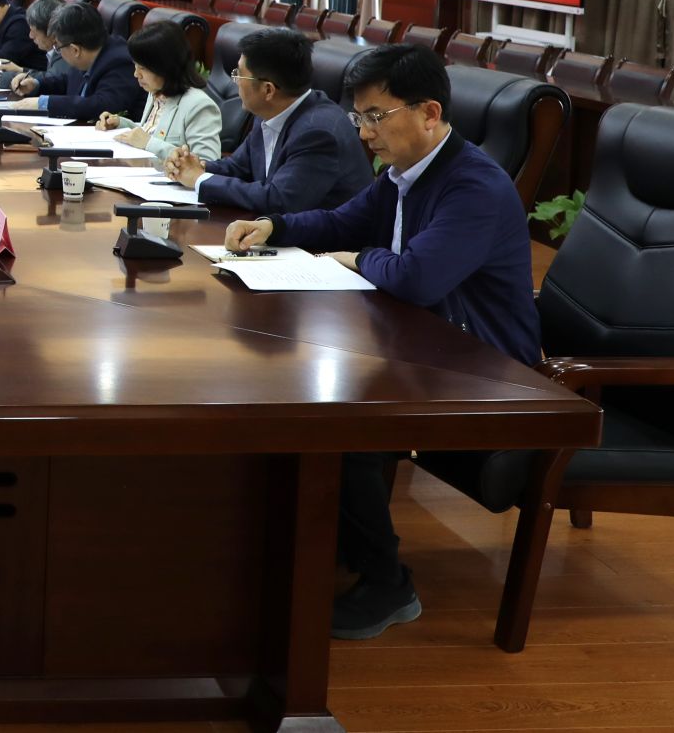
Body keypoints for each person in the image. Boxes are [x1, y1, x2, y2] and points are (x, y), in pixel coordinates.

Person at [223, 44, 538, 641]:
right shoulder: (403, 173)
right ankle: (322, 545)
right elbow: (342, 220)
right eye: (359, 117)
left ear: (429, 113)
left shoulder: (472, 187)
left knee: (341, 423)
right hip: (423, 344)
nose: (365, 132)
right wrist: (275, 227)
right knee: (288, 382)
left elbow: (416, 278)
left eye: (375, 116)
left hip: (486, 367)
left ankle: (388, 584)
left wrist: (358, 258)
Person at [164, 29, 370, 212]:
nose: (235, 82)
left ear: (268, 90)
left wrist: (199, 179)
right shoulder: (270, 112)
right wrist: (191, 166)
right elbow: (238, 168)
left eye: (239, 75)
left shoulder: (318, 133)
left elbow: (279, 200)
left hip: (322, 242)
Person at [95, 22, 222, 164]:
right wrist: (120, 124)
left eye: (143, 68)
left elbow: (207, 163)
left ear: (165, 67)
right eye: (135, 65)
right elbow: (153, 134)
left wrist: (149, 143)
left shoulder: (199, 106)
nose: (136, 74)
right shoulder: (156, 91)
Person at [5, 2, 144, 122]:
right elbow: (68, 81)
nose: (58, 52)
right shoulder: (90, 52)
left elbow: (102, 104)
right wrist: (36, 84)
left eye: (58, 47)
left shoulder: (120, 62)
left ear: (75, 50)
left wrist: (45, 103)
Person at [8, 0, 64, 97]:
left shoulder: (64, 53)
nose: (31, 36)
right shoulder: (53, 51)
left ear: (51, 32)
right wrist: (22, 70)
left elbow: (53, 81)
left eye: (34, 31)